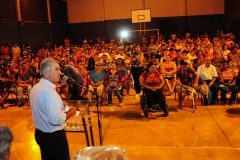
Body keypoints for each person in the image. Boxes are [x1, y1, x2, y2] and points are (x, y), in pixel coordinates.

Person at [30, 58, 76, 160]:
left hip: (40, 133)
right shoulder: (49, 92)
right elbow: (55, 119)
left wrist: (59, 104)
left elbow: (42, 107)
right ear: (46, 72)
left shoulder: (36, 87)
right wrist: (71, 112)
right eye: (56, 69)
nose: (60, 72)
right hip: (53, 137)